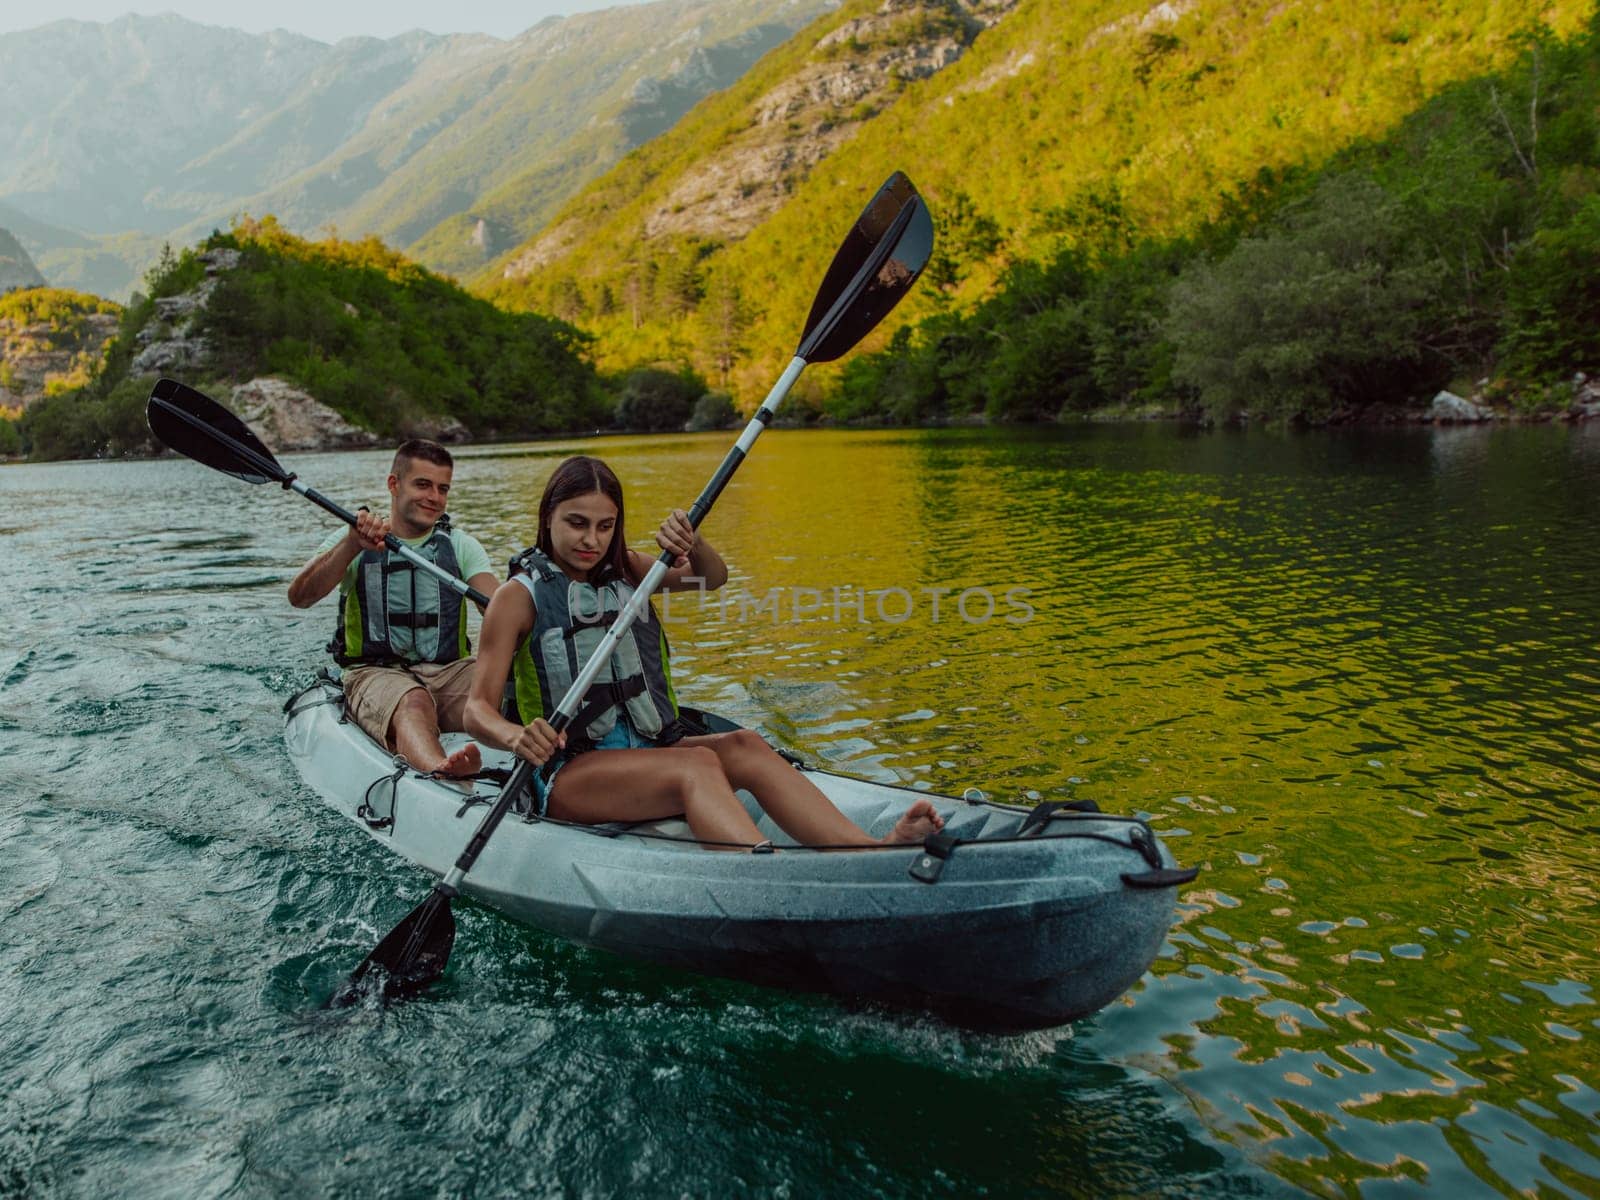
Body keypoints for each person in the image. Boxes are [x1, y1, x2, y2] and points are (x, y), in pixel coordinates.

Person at [462, 455, 945, 850]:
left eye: (605, 526)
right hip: (574, 773)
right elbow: (477, 710)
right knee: (696, 765)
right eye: (577, 523)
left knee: (746, 745)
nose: (592, 540)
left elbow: (710, 578)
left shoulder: (629, 568)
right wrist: (516, 736)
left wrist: (695, 542)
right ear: (548, 516)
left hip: (653, 750)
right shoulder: (518, 597)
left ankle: (867, 850)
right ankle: (763, 869)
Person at [288, 439, 497, 777]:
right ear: (393, 484)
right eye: (423, 484)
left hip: (448, 672)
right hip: (375, 674)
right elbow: (299, 597)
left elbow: (499, 607)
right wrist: (350, 546)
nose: (434, 497)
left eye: (442, 488)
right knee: (413, 701)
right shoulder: (354, 538)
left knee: (507, 681)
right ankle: (440, 770)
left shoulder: (460, 545)